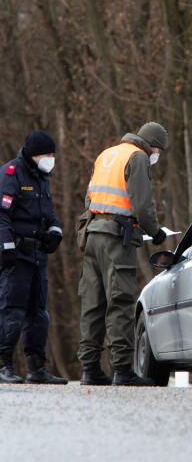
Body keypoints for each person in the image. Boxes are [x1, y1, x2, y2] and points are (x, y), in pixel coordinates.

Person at [77, 122, 168, 386]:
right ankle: (122, 369)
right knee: (120, 302)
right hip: (117, 240)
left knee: (93, 304)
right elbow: (142, 203)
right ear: (152, 145)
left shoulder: (107, 154)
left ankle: (90, 368)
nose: (157, 156)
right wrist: (156, 231)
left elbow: (89, 199)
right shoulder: (137, 157)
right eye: (159, 150)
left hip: (92, 234)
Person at [0, 130, 67, 384]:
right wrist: (5, 248)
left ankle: (37, 368)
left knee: (39, 314)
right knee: (12, 311)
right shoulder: (11, 174)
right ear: (34, 154)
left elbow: (49, 213)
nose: (51, 158)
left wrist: (55, 232)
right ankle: (4, 364)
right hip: (16, 257)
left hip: (38, 256)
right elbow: (2, 216)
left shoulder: (42, 177)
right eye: (47, 154)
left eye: (53, 154)